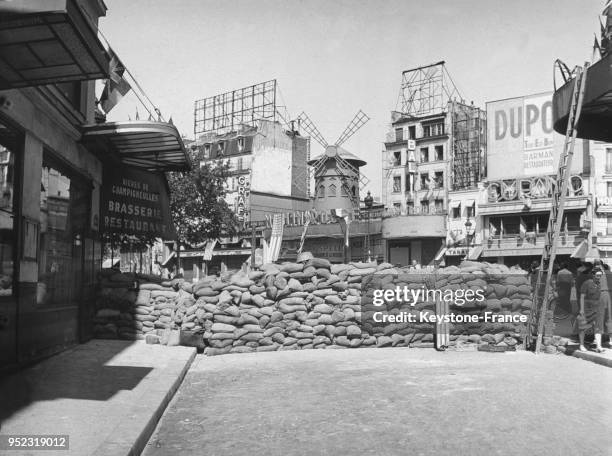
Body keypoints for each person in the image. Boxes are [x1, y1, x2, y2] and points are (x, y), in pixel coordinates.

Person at [578, 265, 605, 352]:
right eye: (597, 275)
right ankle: (581, 345)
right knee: (583, 327)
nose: (599, 277)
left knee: (598, 326)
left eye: (600, 275)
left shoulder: (599, 284)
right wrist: (581, 309)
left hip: (597, 308)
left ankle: (599, 346)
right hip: (587, 307)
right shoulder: (587, 283)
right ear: (593, 275)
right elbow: (582, 296)